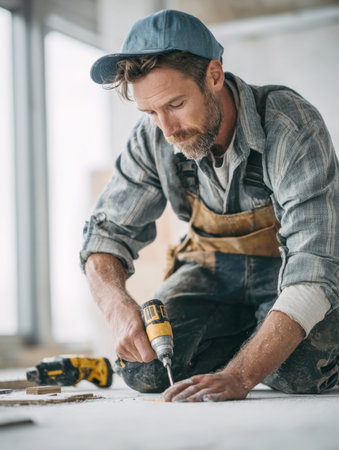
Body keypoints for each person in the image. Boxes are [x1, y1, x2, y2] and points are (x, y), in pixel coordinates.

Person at [80, 9, 339, 402]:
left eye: (176, 104)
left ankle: (259, 338)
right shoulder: (153, 137)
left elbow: (312, 271)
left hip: (286, 274)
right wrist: (116, 305)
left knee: (302, 372)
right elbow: (104, 237)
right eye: (151, 113)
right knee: (145, 368)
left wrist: (239, 375)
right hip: (210, 272)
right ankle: (253, 334)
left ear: (214, 76)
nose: (166, 129)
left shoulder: (291, 125)